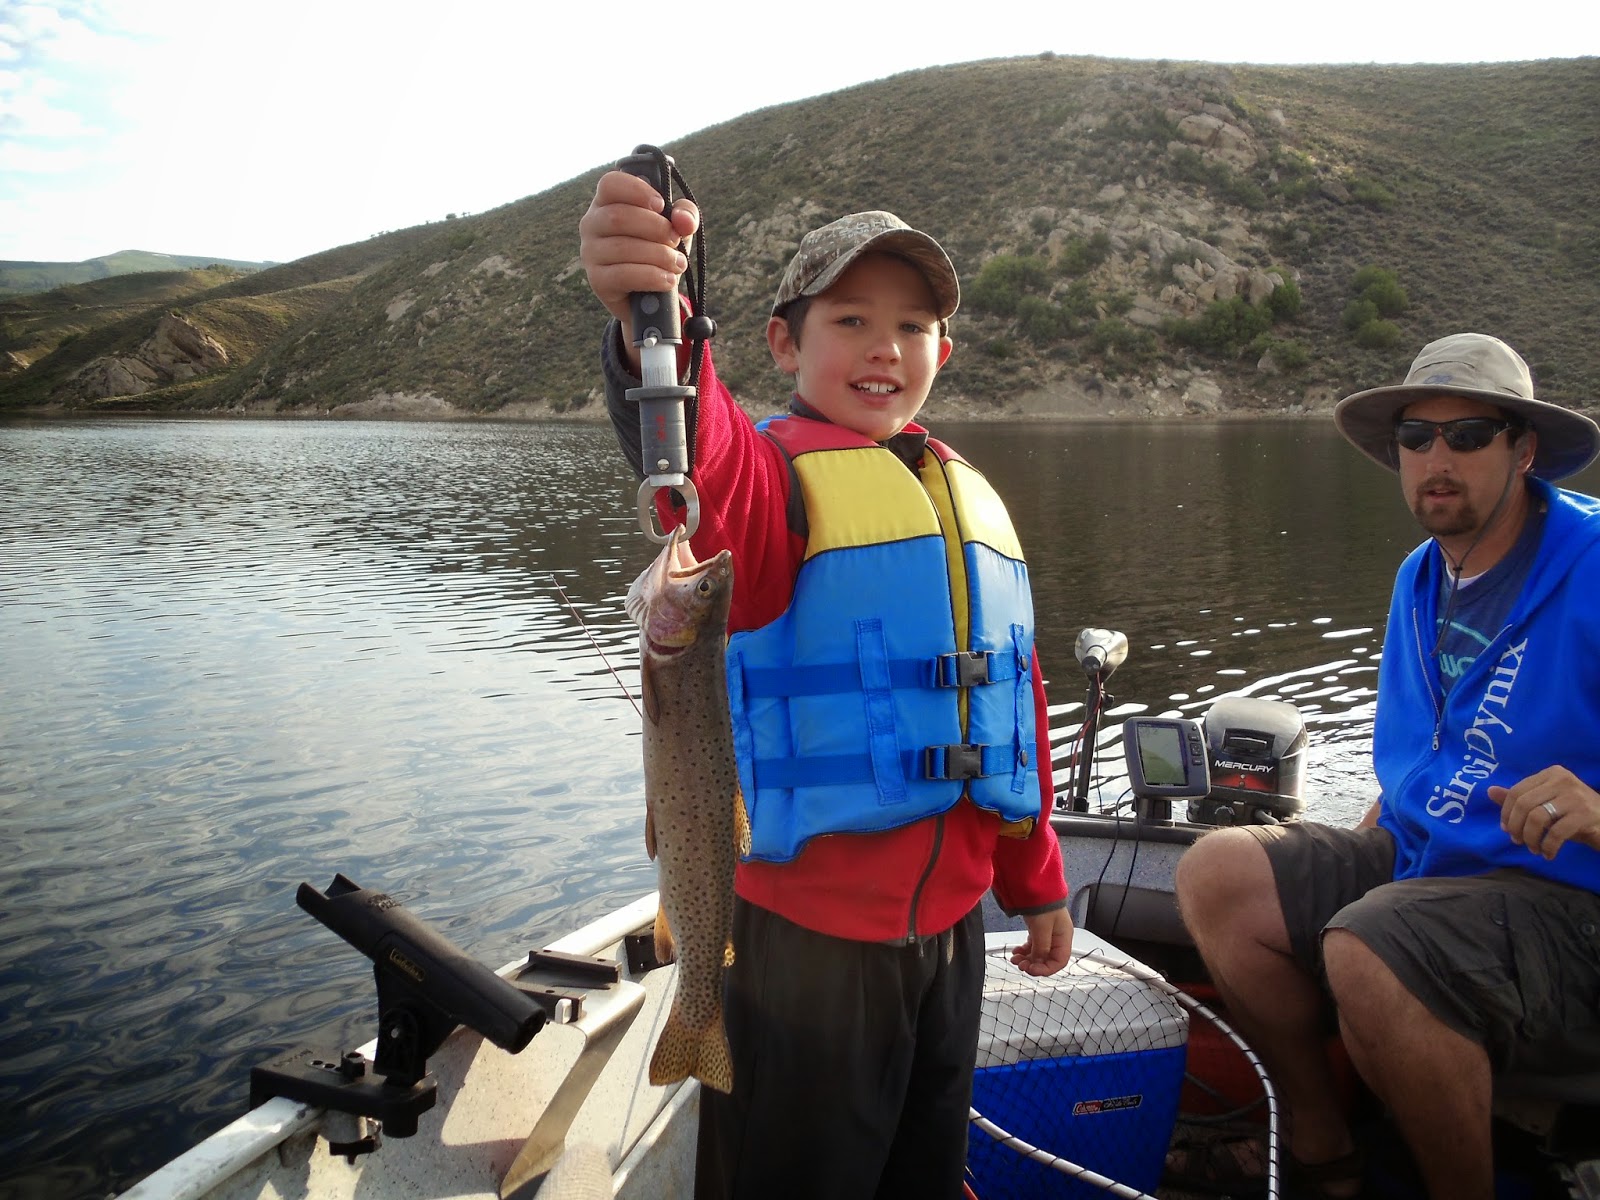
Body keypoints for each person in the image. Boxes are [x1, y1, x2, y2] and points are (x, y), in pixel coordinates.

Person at [579, 171, 1073, 1199]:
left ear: (946, 351)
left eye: (912, 324)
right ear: (783, 343)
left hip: (950, 938)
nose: (883, 347)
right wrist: (652, 330)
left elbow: (1013, 708)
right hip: (803, 952)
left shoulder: (961, 492)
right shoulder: (774, 488)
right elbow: (705, 466)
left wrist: (1038, 886)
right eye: (849, 319)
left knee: (921, 1176)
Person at [1175, 332, 1600, 1200]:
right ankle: (1324, 1158)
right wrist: (1384, 818)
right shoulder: (1421, 575)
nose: (1438, 459)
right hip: (1436, 867)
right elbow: (1437, 746)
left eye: (1470, 434)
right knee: (1219, 871)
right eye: (1416, 437)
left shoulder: (1595, 563)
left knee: (1373, 944)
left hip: (1573, 904)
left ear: (1524, 451)